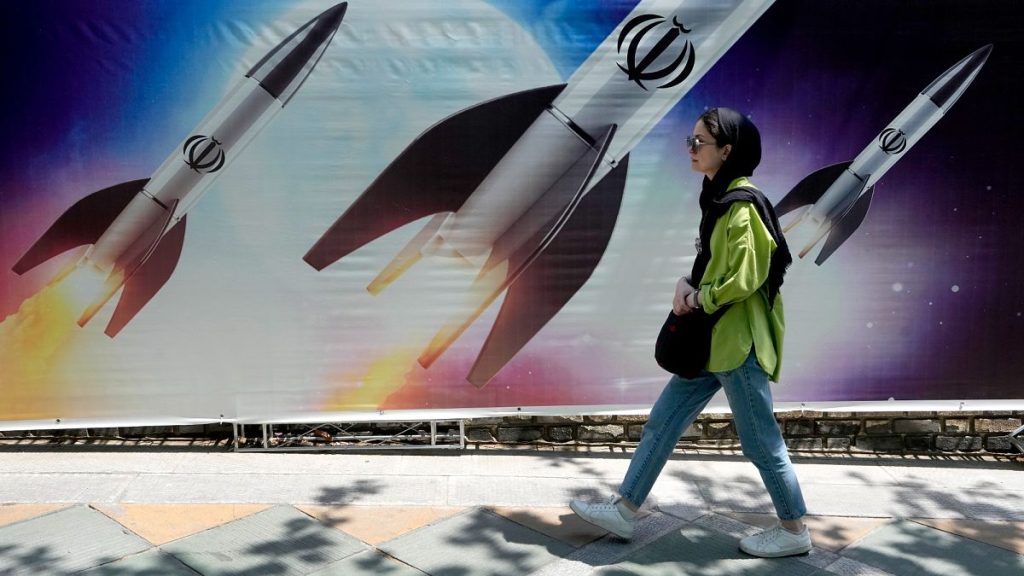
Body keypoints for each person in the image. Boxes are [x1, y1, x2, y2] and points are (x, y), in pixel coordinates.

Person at [570, 107, 811, 558]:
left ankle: (795, 529)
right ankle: (624, 509)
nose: (692, 149)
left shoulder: (741, 207)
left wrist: (699, 298)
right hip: (709, 342)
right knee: (662, 423)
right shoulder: (718, 198)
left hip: (736, 345)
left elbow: (746, 277)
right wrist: (689, 282)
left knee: (761, 442)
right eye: (691, 140)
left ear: (727, 150)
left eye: (700, 142)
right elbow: (717, 265)